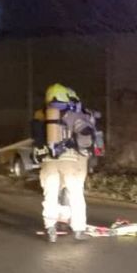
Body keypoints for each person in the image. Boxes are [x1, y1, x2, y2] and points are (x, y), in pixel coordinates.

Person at [36, 83, 92, 243]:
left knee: (50, 195)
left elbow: (36, 139)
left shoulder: (41, 115)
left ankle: (50, 229)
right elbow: (85, 139)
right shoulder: (74, 115)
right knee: (76, 195)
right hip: (70, 161)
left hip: (48, 162)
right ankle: (79, 229)